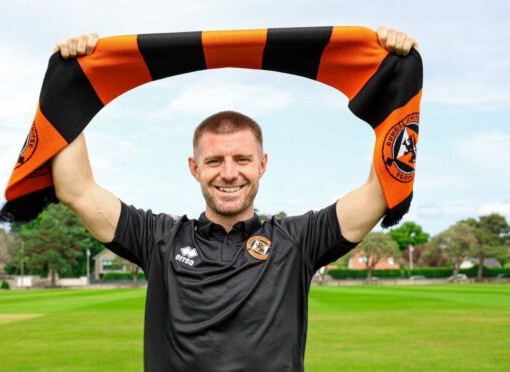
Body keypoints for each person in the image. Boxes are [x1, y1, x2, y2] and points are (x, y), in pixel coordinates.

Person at [51, 26, 419, 372]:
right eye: (214, 161)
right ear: (195, 168)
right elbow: (76, 188)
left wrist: (394, 79)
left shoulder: (297, 240)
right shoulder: (159, 238)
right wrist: (71, 87)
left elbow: (378, 191)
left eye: (242, 159)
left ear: (262, 165)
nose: (229, 173)